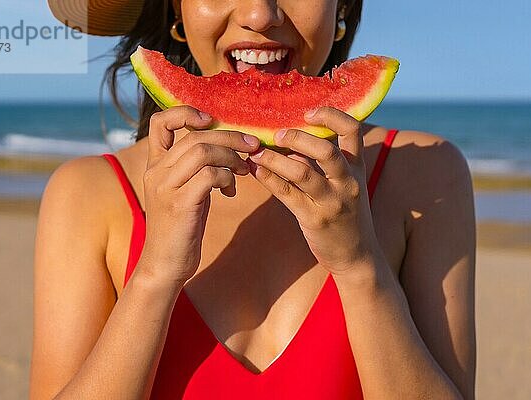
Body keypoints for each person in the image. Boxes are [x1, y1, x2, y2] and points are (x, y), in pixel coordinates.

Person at [31, 0, 476, 399]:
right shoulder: (88, 193)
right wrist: (154, 274)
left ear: (342, 7)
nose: (260, 15)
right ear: (176, 12)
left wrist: (360, 266)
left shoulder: (427, 177)